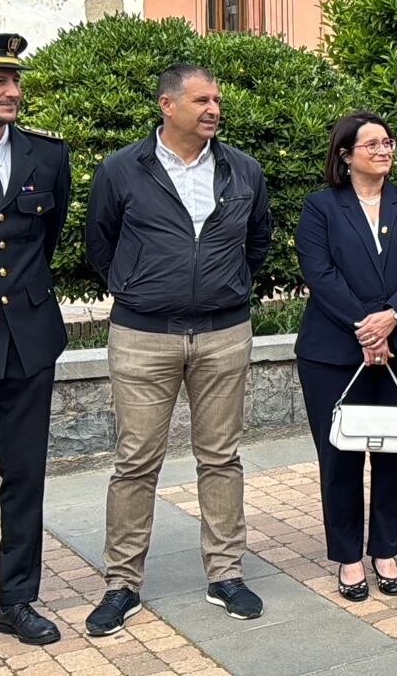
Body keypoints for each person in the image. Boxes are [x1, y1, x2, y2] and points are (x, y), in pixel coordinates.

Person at [84, 64, 273, 634]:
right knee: (135, 462)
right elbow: (101, 243)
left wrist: (228, 287)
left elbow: (257, 241)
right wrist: (137, 287)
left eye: (217, 100)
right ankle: (122, 584)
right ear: (167, 105)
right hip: (143, 336)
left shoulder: (243, 169)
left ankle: (226, 575)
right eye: (201, 100)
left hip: (223, 333)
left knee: (221, 457)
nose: (214, 109)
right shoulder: (121, 169)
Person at [294, 113, 397, 600]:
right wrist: (366, 326)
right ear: (345, 155)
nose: (384, 151)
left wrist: (392, 317)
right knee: (339, 456)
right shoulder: (320, 207)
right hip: (334, 352)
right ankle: (347, 557)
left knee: (395, 453)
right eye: (372, 144)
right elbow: (319, 272)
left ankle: (385, 550)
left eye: (388, 143)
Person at [0, 34, 69, 646]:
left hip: (27, 341)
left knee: (24, 477)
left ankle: (16, 601)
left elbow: (50, 236)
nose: (12, 91)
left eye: (15, 80)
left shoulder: (47, 154)